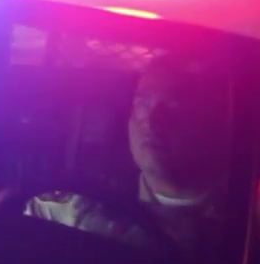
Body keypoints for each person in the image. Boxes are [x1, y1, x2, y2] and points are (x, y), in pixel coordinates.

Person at [24, 53, 230, 252]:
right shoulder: (82, 208)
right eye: (143, 104)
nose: (152, 122)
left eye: (175, 107)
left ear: (214, 124)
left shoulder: (239, 222)